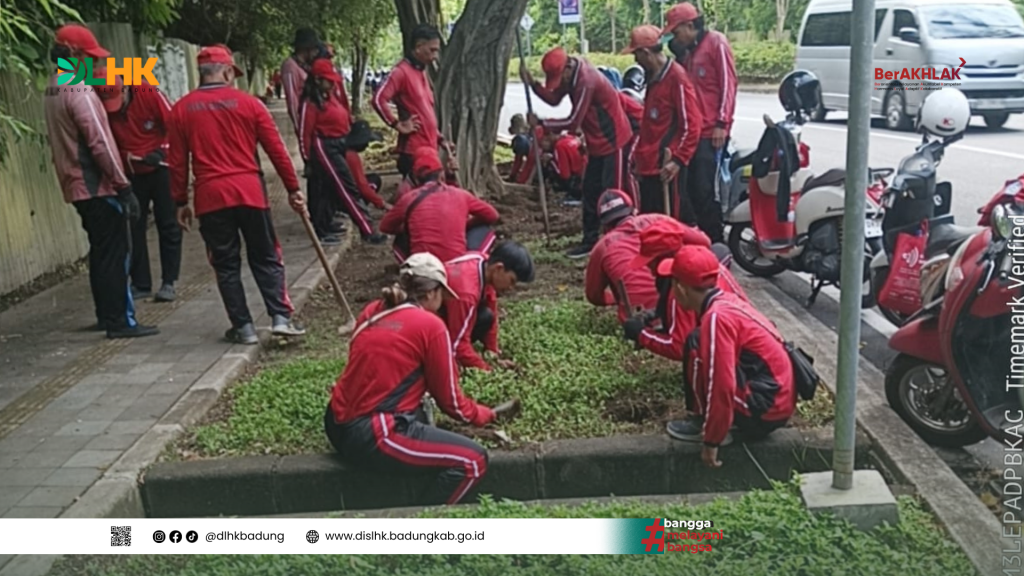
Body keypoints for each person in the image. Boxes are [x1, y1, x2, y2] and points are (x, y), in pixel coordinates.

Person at [325, 253, 517, 505]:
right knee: (473, 460)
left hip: (335, 422)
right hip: (373, 433)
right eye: (441, 295)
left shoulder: (372, 310)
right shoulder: (430, 325)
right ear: (431, 292)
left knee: (422, 413)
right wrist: (484, 415)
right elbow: (452, 403)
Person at [168, 46, 307, 345]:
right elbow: (277, 150)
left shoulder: (181, 110)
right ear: (228, 71)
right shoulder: (250, 104)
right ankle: (280, 317)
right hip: (250, 193)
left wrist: (180, 201)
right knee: (267, 256)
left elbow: (177, 163)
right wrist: (293, 188)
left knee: (225, 263)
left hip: (210, 197)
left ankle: (243, 328)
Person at [44, 25, 158, 339]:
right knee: (116, 253)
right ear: (75, 55)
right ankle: (121, 321)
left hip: (76, 186)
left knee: (101, 252)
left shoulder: (53, 86)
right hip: (97, 186)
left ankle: (107, 315)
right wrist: (123, 186)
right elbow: (99, 144)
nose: (97, 67)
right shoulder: (78, 89)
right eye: (92, 60)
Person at [656, 245, 795, 467]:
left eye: (672, 284)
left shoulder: (715, 318)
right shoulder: (727, 301)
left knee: (695, 346)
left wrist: (712, 441)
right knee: (698, 340)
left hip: (765, 410)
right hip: (776, 399)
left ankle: (701, 423)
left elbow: (721, 384)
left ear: (681, 288)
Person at [521, 47, 632, 259]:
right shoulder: (569, 77)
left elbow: (573, 123)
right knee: (590, 191)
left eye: (559, 78)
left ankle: (618, 241)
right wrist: (533, 85)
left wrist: (543, 123)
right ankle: (590, 241)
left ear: (568, 68)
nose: (559, 83)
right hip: (596, 144)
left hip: (614, 140)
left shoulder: (586, 81)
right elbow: (554, 99)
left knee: (612, 193)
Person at [96, 74, 182, 304]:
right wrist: (125, 159)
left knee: (168, 224)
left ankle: (169, 282)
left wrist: (161, 151)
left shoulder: (148, 93)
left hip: (160, 167)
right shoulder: (100, 104)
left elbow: (175, 126)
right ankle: (141, 283)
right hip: (131, 172)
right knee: (134, 226)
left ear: (125, 89)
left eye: (118, 99)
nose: (116, 109)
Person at [663, 2, 737, 244]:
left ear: (689, 25)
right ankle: (701, 240)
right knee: (691, 190)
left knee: (706, 190)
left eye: (677, 32)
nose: (676, 37)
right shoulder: (689, 53)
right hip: (693, 131)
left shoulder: (716, 42)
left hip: (712, 132)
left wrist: (722, 123)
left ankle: (716, 242)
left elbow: (728, 85)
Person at [299, 58, 387, 245]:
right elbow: (304, 133)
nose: (332, 84)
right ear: (317, 79)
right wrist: (307, 160)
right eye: (328, 80)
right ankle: (367, 230)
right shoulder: (311, 103)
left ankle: (325, 227)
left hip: (340, 143)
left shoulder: (330, 96)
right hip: (324, 146)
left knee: (331, 191)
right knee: (346, 188)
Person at [623, 25, 703, 221]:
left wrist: (677, 160)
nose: (635, 60)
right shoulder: (652, 78)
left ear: (646, 53)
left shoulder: (677, 78)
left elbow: (693, 124)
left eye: (636, 54)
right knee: (651, 219)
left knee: (674, 220)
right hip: (649, 164)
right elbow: (649, 125)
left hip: (666, 165)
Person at [380, 148, 499, 263]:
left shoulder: (408, 197)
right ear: (442, 174)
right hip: (455, 265)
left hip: (422, 266)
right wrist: (465, 224)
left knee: (400, 239)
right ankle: (472, 263)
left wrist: (411, 228)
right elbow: (492, 215)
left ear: (416, 176)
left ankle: (412, 265)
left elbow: (385, 226)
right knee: (484, 229)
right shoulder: (460, 194)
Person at [373, 24, 451, 179]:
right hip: (414, 151)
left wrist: (440, 138)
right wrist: (397, 124)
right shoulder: (400, 72)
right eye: (432, 50)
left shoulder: (422, 72)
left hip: (430, 148)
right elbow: (378, 99)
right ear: (419, 46)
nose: (435, 56)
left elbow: (423, 112)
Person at [443, 241, 535, 372]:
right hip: (429, 323)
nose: (511, 288)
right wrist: (488, 369)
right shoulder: (467, 293)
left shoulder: (482, 261)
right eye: (512, 281)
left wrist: (493, 354)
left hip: (446, 310)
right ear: (499, 268)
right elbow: (457, 345)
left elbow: (491, 306)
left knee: (487, 316)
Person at [584, 189, 662, 323]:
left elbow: (593, 295)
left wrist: (616, 299)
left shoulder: (602, 247)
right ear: (634, 211)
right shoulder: (656, 220)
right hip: (677, 310)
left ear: (604, 225)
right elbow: (704, 241)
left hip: (638, 319)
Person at [282, 28, 323, 136]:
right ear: (306, 49)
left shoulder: (305, 66)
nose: (316, 52)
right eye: (314, 49)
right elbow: (292, 102)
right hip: (305, 124)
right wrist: (300, 131)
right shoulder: (290, 67)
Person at [540, 132, 586, 203]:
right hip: (587, 174)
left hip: (578, 181)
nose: (543, 145)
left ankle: (571, 194)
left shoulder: (559, 146)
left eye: (545, 140)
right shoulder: (570, 138)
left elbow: (565, 174)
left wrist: (551, 161)